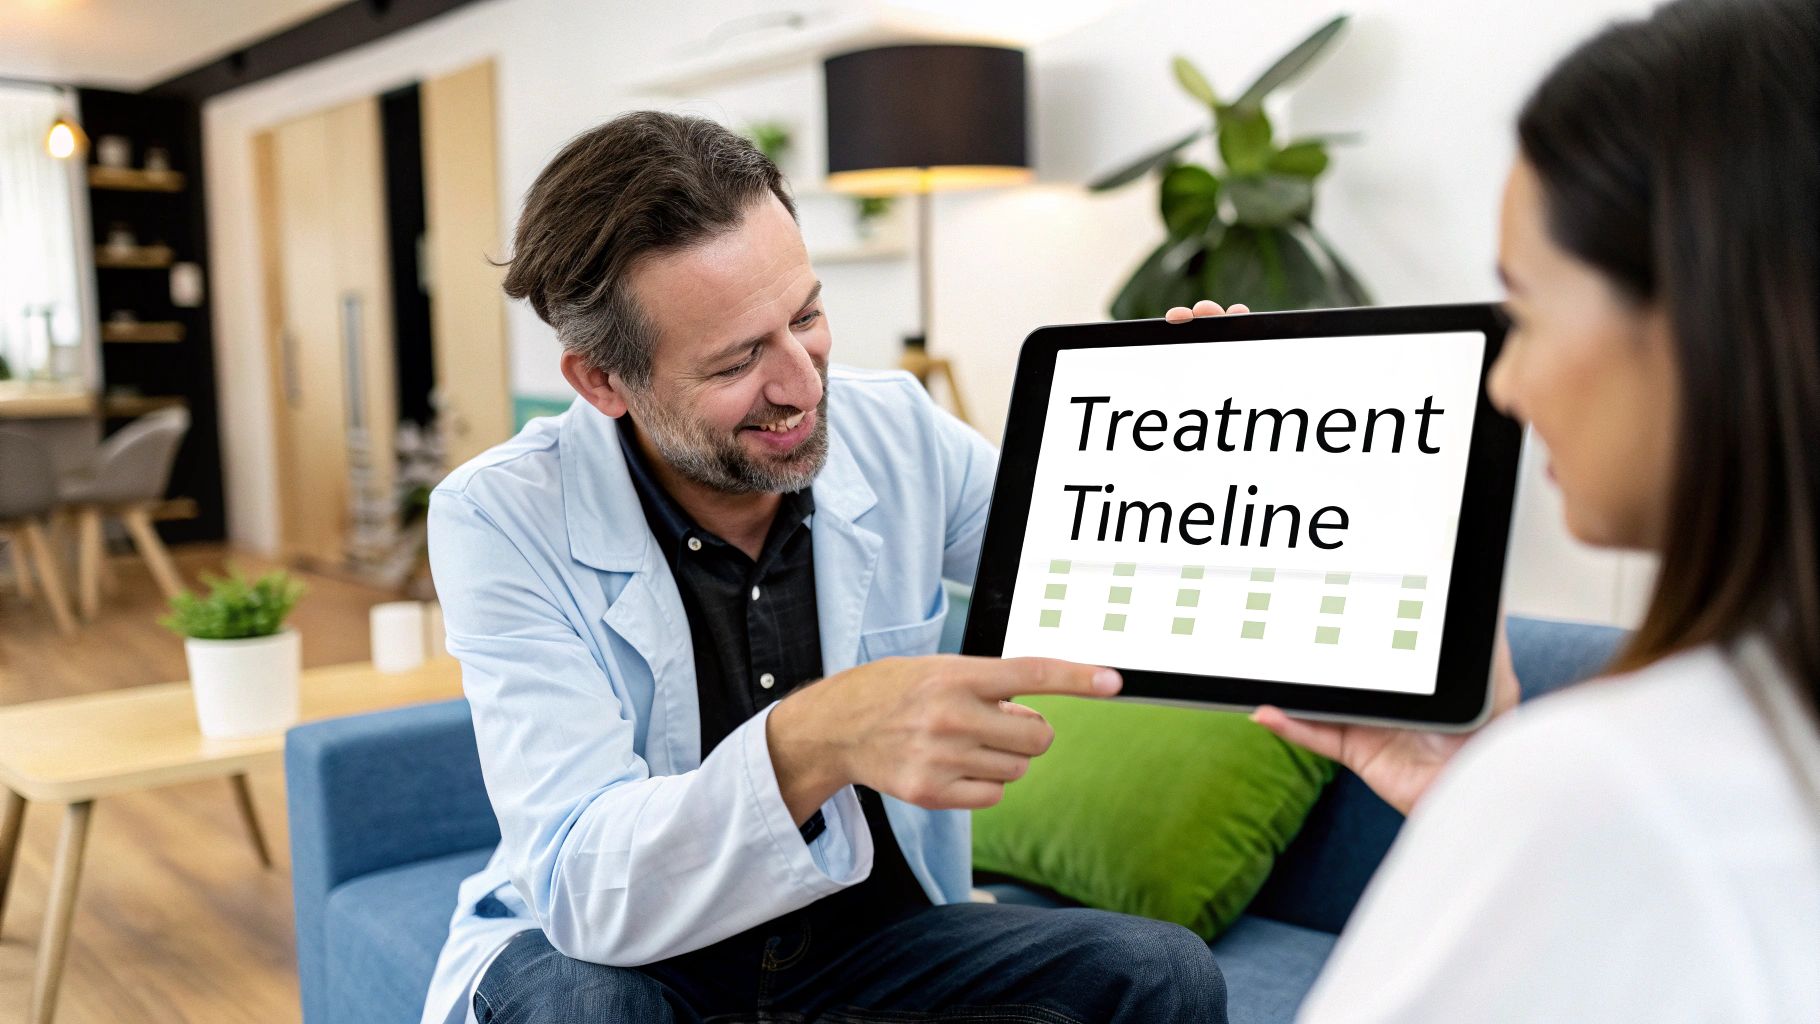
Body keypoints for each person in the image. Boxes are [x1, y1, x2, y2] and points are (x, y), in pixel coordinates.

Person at [419, 112, 1228, 1024]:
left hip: (870, 942)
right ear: (604, 382)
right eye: (737, 361)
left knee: (1157, 972)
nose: (802, 385)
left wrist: (1209, 440)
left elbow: (1103, 572)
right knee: (587, 1012)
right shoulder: (500, 516)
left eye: (805, 317)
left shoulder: (897, 429)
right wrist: (818, 737)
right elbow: (586, 883)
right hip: (632, 956)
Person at [1174, 0, 1819, 1018]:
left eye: (1525, 312)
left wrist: (1516, 805)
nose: (1506, 386)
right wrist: (1477, 793)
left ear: (1704, 316)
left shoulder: (1607, 780)